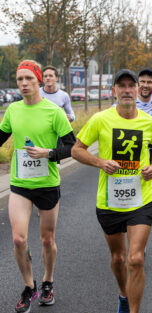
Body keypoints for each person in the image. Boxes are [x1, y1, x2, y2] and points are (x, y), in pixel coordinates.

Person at [71, 69, 152, 313]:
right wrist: (100, 162)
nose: (126, 90)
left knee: (135, 259)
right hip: (109, 201)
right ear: (114, 91)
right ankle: (123, 294)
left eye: (130, 86)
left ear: (138, 90)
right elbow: (76, 150)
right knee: (118, 259)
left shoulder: (148, 121)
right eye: (121, 86)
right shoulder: (101, 119)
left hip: (142, 199)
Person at [0, 60, 76, 312]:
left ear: (39, 81)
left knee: (46, 240)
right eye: (19, 79)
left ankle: (48, 281)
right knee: (19, 239)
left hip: (47, 185)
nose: (23, 84)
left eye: (28, 79)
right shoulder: (13, 110)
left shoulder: (53, 112)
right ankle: (29, 286)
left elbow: (72, 147)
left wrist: (49, 153)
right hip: (20, 183)